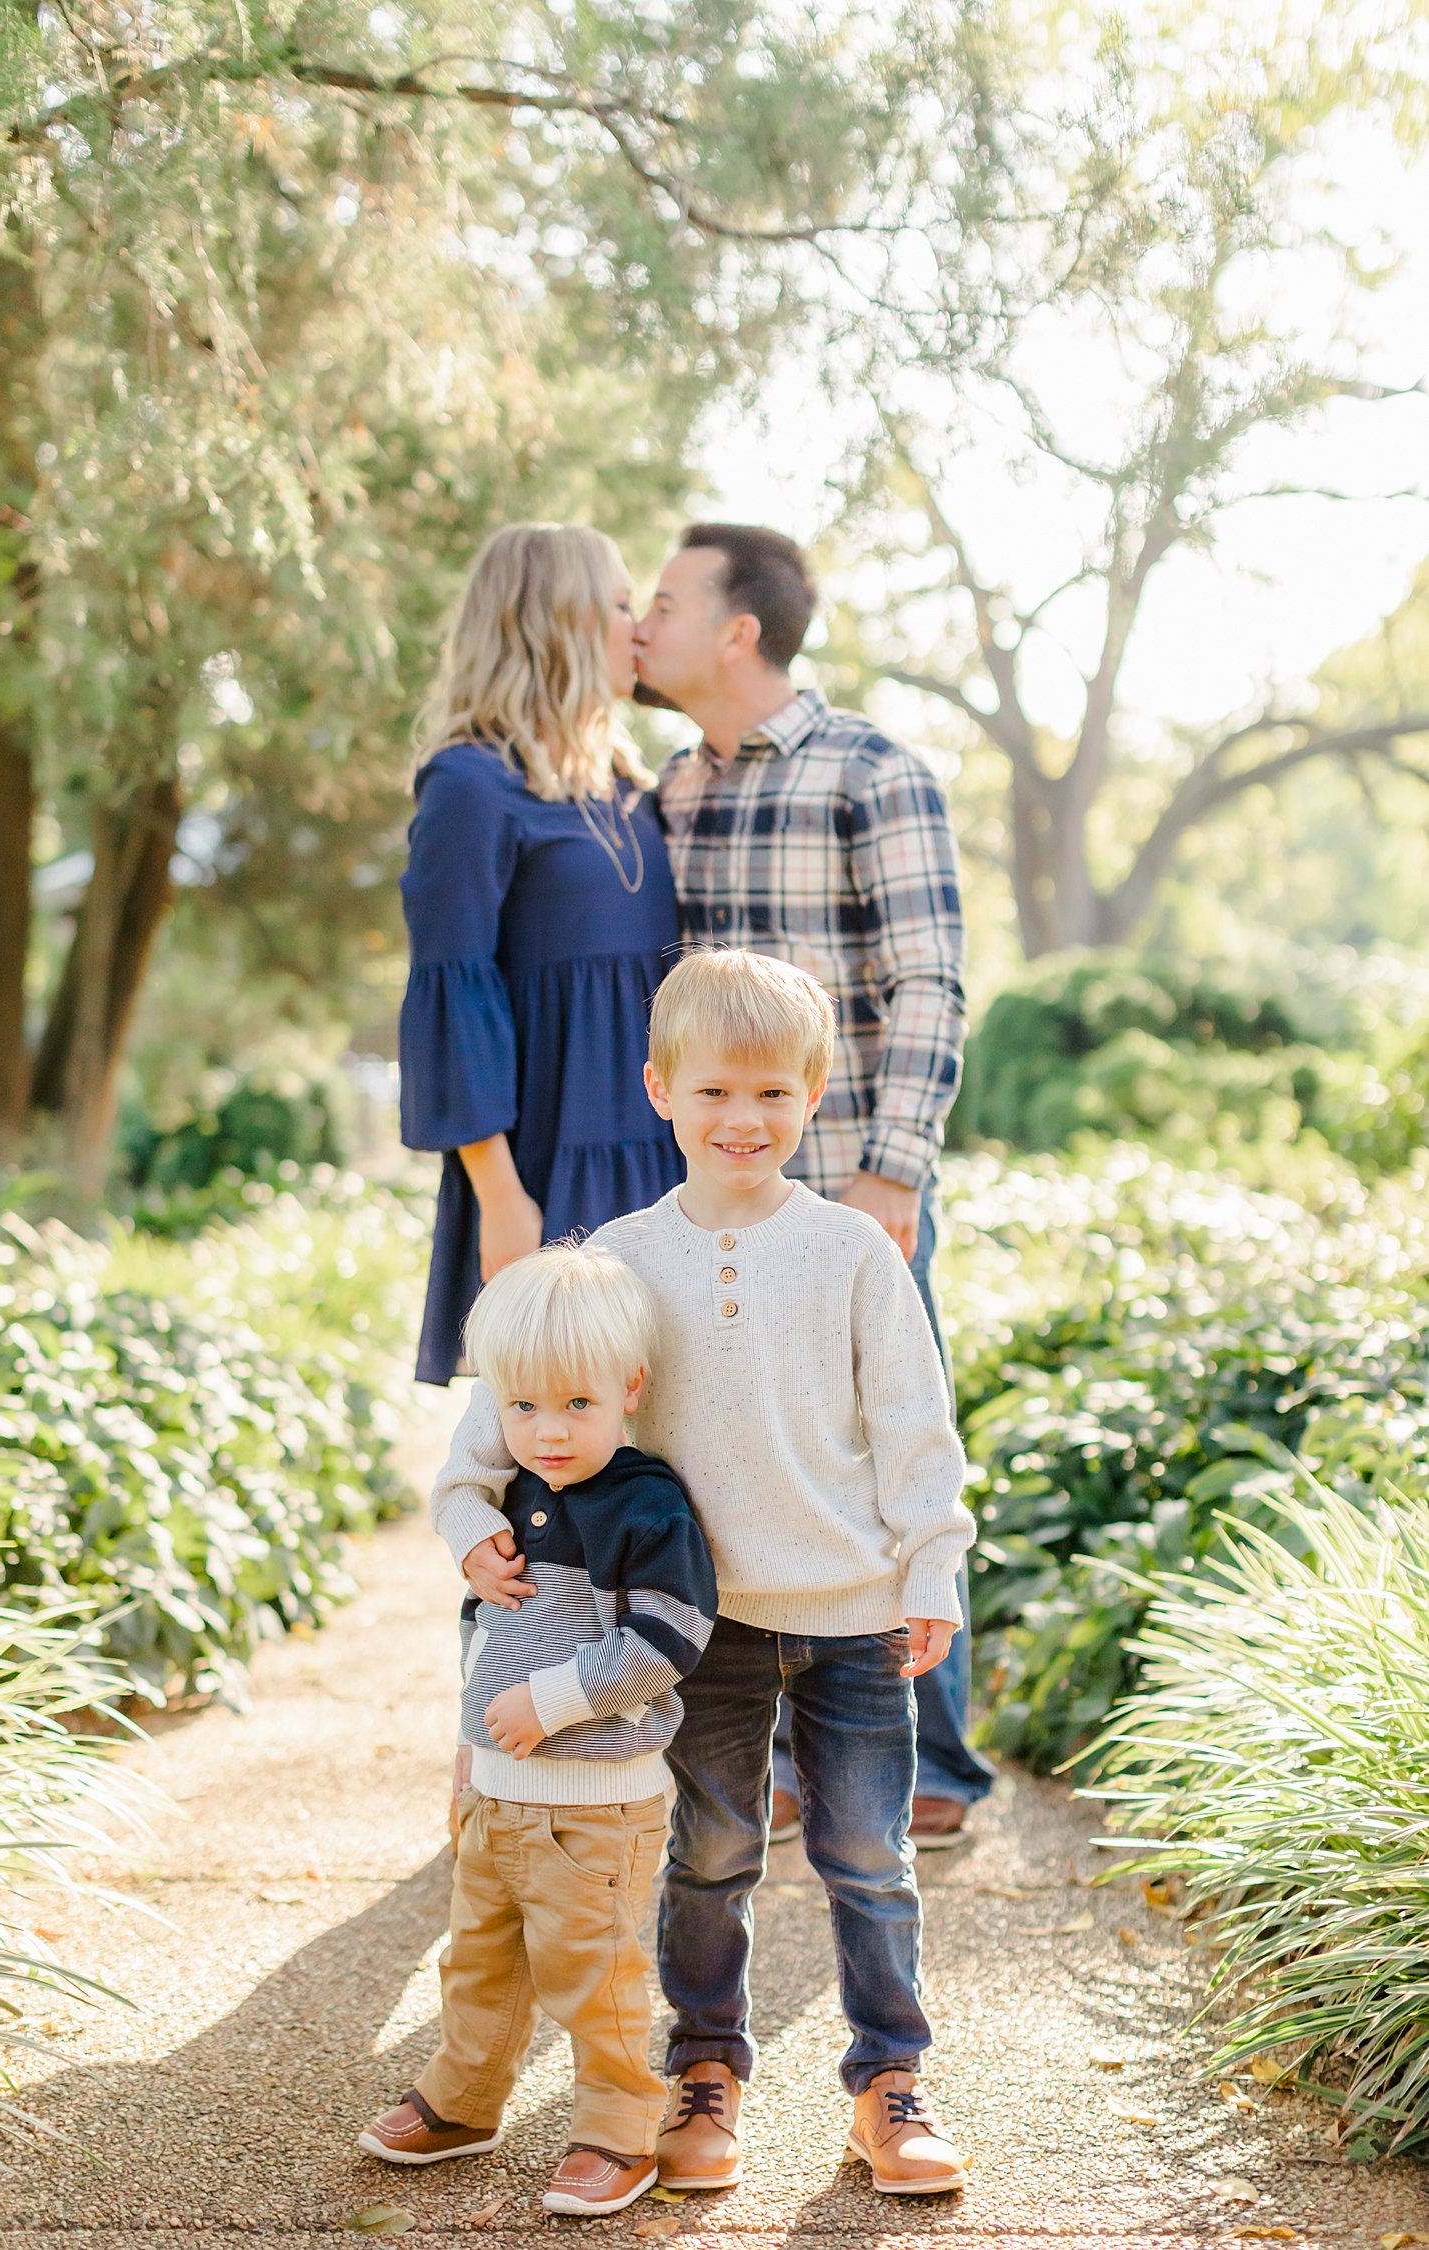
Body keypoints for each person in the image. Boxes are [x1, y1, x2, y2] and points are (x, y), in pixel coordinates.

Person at [433, 950, 976, 2197]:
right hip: (697, 1628)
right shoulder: (618, 1261)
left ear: (815, 1096)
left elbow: (912, 1424)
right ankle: (704, 2072)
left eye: (774, 1095)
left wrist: (931, 1567)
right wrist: (467, 1524)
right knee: (713, 1856)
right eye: (717, 1092)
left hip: (851, 1619)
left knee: (867, 1856)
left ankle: (891, 2083)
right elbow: (490, 1434)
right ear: (660, 1090)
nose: (746, 1121)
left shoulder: (850, 1252)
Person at [632, 523, 995, 1846]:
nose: (639, 621)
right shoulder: (669, 787)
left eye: (662, 602)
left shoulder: (869, 769)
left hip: (851, 1189)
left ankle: (934, 1762)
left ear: (740, 628)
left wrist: (895, 1171)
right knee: (749, 1458)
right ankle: (784, 1756)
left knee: (893, 1458)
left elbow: (929, 982)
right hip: (726, 1195)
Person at [359, 1244, 717, 2216]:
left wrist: (555, 1702)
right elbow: (485, 1645)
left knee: (592, 1977)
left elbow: (667, 1641)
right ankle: (465, 2098)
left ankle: (618, 2130)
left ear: (628, 1388)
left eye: (575, 1406)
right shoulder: (511, 1500)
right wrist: (470, 1758)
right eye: (522, 1408)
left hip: (594, 1810)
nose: (548, 1433)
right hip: (496, 1797)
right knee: (478, 1959)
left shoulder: (647, 1506)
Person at [397, 522, 683, 1387]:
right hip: (551, 1165)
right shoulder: (469, 785)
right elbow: (454, 993)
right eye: (624, 606)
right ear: (560, 620)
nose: (638, 630)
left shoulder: (632, 790)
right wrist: (502, 1198)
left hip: (664, 1151)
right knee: (561, 1427)